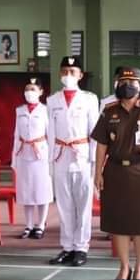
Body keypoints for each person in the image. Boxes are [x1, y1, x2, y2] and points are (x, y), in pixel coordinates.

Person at [92, 67, 140, 280]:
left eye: (132, 82)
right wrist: (97, 173)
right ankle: (124, 267)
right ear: (117, 85)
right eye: (123, 82)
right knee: (119, 223)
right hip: (116, 172)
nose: (127, 86)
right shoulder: (109, 111)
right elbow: (101, 145)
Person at [46, 56, 100, 267]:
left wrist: (94, 161)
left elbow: (94, 132)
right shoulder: (52, 100)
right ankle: (67, 247)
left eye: (72, 72)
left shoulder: (89, 99)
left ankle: (81, 247)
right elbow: (50, 132)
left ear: (80, 75)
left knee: (83, 204)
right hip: (61, 155)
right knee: (64, 204)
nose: (68, 75)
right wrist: (50, 160)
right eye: (64, 71)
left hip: (82, 155)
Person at [12, 76, 52, 240]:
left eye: (33, 89)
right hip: (23, 153)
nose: (29, 92)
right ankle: (28, 225)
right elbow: (16, 135)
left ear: (41, 92)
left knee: (42, 190)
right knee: (26, 191)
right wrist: (14, 158)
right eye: (27, 89)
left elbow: (51, 134)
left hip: (41, 154)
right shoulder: (19, 110)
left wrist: (52, 157)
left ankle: (40, 224)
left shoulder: (45, 110)